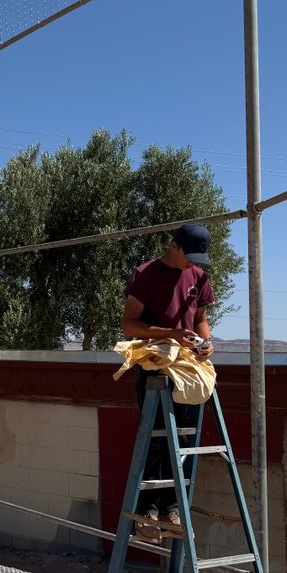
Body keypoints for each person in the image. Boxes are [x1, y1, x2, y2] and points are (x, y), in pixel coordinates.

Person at [121, 221, 216, 542]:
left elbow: (201, 319)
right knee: (157, 438)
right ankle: (147, 511)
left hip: (187, 365)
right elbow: (130, 324)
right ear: (173, 246)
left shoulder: (199, 276)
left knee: (186, 440)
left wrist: (207, 341)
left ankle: (173, 509)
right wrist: (170, 333)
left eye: (197, 259)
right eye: (188, 256)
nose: (192, 264)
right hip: (155, 363)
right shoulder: (146, 274)